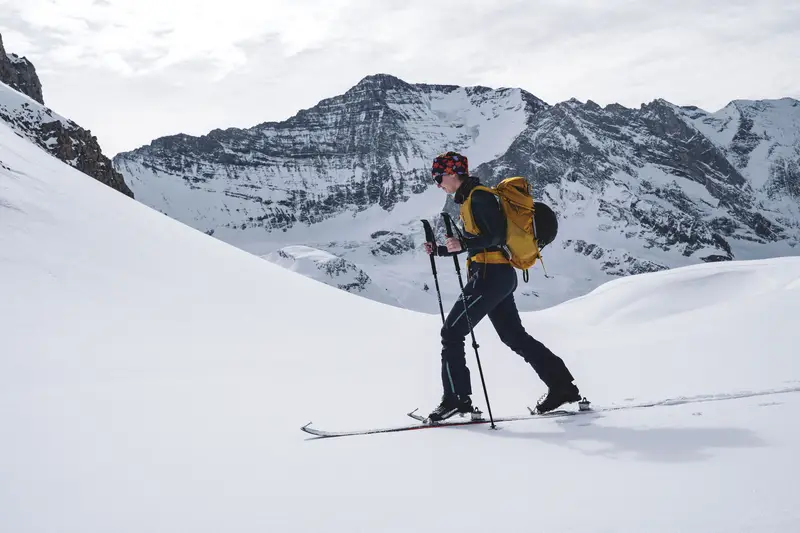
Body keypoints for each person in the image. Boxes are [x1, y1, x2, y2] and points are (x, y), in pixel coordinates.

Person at [423, 151, 582, 421]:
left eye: (439, 178)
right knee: (513, 336)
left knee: (451, 333)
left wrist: (463, 244)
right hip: (496, 274)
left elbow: (494, 235)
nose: (438, 184)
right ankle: (562, 387)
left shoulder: (479, 196)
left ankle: (456, 398)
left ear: (452, 173)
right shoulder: (469, 199)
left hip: (490, 275)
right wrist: (441, 250)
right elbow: (482, 240)